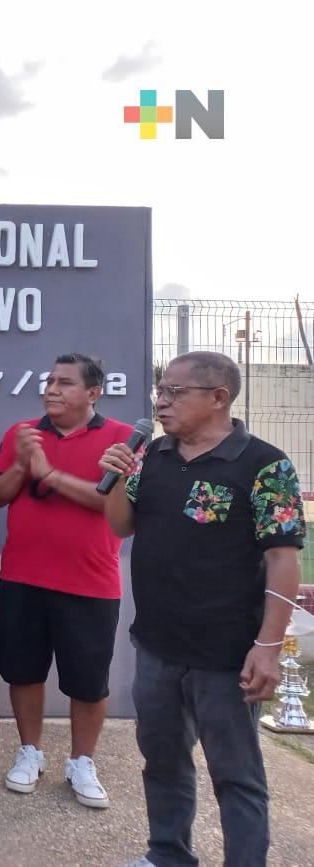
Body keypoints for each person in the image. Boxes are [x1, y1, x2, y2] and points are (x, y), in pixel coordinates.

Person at [101, 351, 306, 867]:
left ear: (219, 397)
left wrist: (268, 646)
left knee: (236, 775)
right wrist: (120, 475)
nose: (161, 402)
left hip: (228, 653)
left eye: (175, 392)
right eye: (159, 391)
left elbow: (282, 558)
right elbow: (121, 526)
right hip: (157, 644)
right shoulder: (153, 454)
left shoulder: (264, 464)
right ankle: (167, 854)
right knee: (162, 762)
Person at [0, 354, 133, 809]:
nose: (51, 389)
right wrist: (22, 464)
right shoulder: (21, 433)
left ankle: (82, 761)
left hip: (90, 582)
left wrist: (49, 473)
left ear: (93, 393)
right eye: (49, 381)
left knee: (88, 681)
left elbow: (106, 500)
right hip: (23, 577)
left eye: (65, 383)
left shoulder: (122, 439)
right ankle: (30, 752)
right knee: (23, 670)